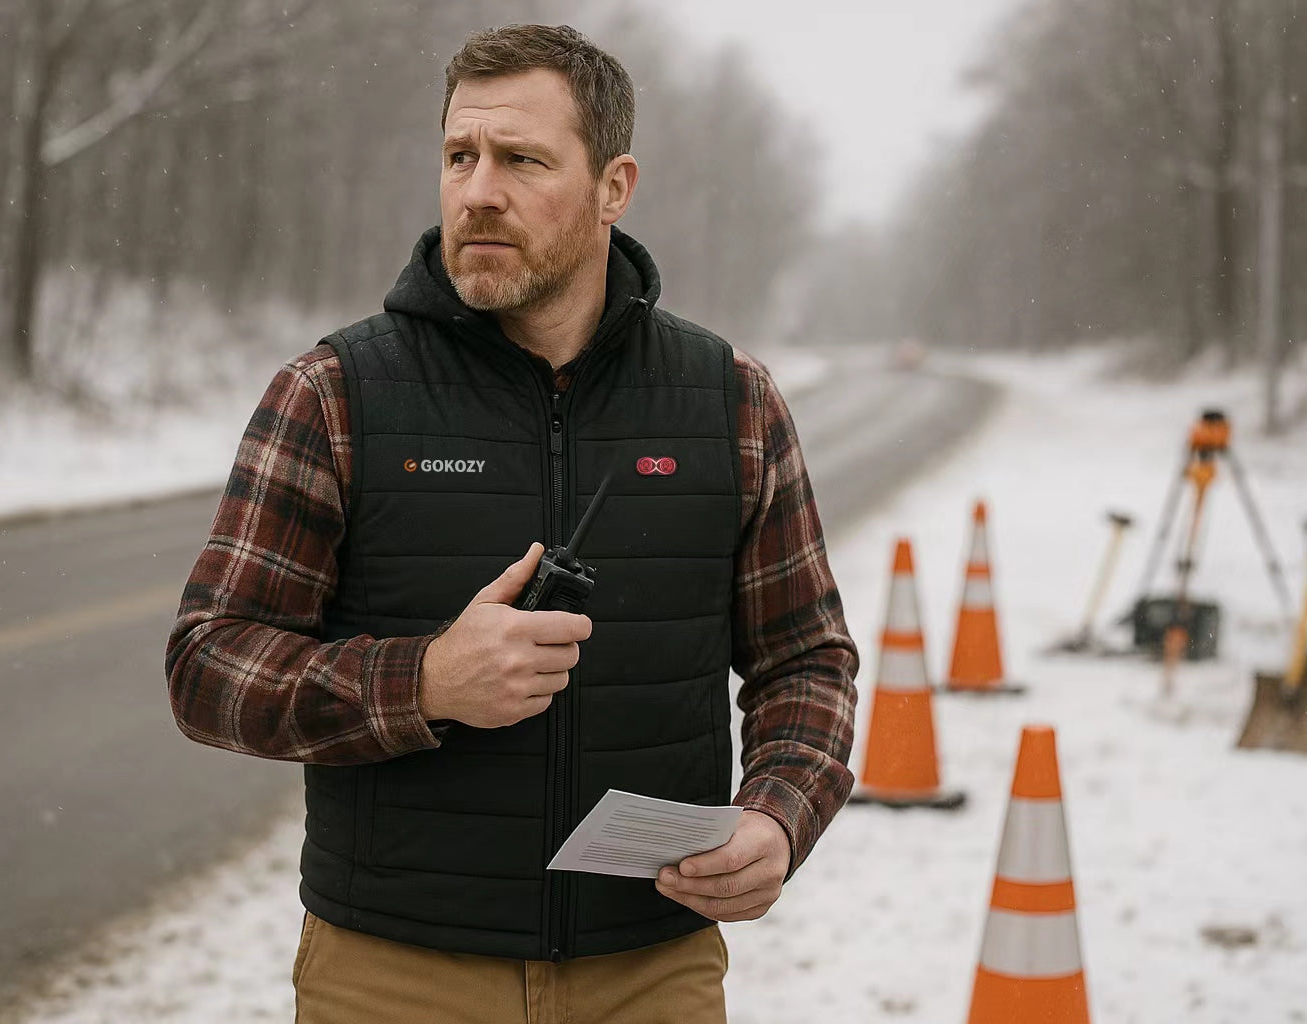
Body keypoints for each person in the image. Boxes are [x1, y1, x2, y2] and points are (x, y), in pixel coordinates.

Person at [165, 22, 858, 1024]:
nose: (478, 190)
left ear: (614, 187)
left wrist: (779, 816)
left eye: (522, 159)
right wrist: (425, 680)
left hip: (649, 972)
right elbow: (207, 666)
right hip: (393, 972)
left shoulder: (731, 401)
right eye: (459, 156)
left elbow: (809, 660)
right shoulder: (334, 393)